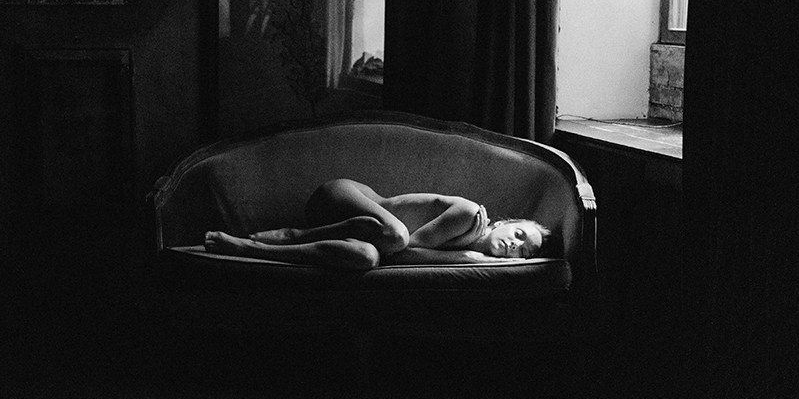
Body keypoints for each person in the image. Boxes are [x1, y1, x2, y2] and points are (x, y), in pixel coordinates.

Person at [203, 178, 551, 271]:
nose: (516, 245)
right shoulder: (470, 214)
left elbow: (386, 260)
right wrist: (468, 260)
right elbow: (405, 251)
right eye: (519, 234)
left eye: (524, 252)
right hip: (339, 196)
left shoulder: (469, 245)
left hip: (358, 233)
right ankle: (294, 235)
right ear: (506, 222)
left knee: (367, 258)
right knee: (396, 236)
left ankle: (254, 249)